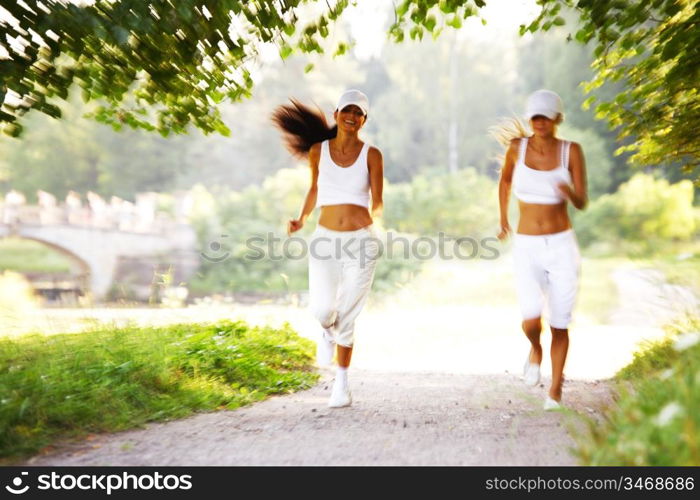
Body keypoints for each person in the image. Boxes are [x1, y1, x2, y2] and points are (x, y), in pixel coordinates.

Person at [272, 89, 384, 408]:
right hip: (325, 240)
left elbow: (378, 201)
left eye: (358, 112)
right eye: (346, 110)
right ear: (336, 114)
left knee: (348, 317)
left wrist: (373, 215)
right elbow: (314, 188)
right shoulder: (318, 151)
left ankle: (342, 384)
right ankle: (325, 330)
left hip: (361, 242)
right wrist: (301, 218)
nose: (352, 116)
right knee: (323, 311)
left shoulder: (372, 155)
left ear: (364, 119)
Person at [495, 89, 588, 410]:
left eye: (546, 118)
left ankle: (556, 389)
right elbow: (505, 182)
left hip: (561, 245)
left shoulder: (571, 152)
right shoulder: (516, 150)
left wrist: (568, 192)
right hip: (526, 245)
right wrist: (503, 220)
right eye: (535, 117)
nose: (540, 123)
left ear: (557, 119)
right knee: (531, 319)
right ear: (529, 119)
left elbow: (582, 201)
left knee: (560, 322)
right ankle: (535, 348)